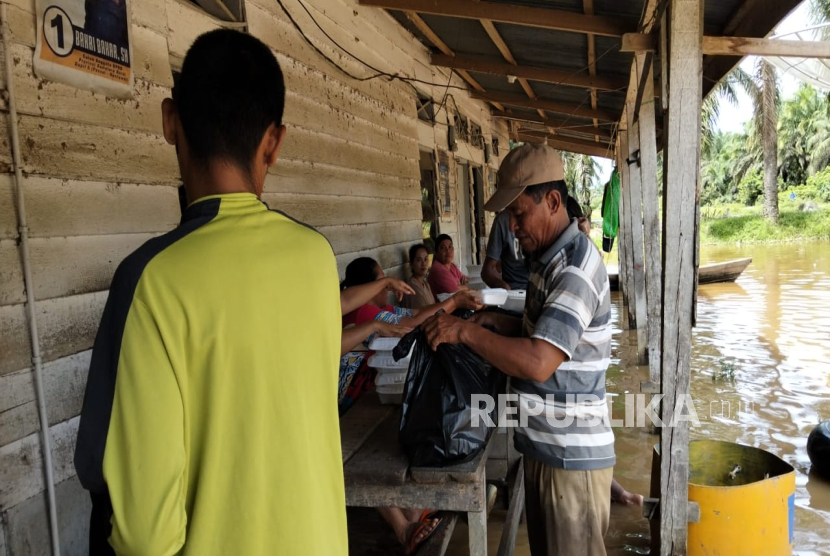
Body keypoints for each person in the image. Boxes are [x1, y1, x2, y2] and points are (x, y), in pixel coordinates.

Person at [74, 30, 347, 555]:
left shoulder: (150, 281)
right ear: (275, 141)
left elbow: (146, 536)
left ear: (170, 122)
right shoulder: (315, 257)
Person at [423, 143, 615, 555]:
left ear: (552, 201)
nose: (512, 227)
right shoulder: (548, 260)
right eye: (509, 216)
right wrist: (497, 322)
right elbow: (544, 334)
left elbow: (538, 361)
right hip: (548, 449)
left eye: (518, 213)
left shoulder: (575, 269)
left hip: (568, 458)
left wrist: (464, 333)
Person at [482, 210, 529, 290]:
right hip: (513, 291)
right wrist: (503, 287)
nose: (512, 227)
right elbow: (487, 271)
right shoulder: (502, 221)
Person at [401, 243, 437, 310]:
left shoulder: (426, 284)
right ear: (411, 264)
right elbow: (424, 313)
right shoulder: (411, 286)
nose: (423, 263)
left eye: (425, 259)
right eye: (418, 260)